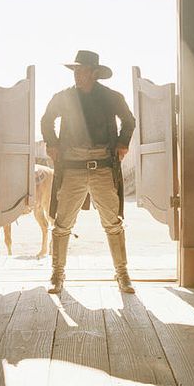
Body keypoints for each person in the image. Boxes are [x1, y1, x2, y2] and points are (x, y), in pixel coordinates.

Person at [41, 50, 136, 295]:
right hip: (72, 167)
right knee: (62, 224)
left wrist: (123, 143)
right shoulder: (63, 97)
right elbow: (46, 119)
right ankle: (57, 274)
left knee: (113, 223)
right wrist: (51, 143)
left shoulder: (112, 97)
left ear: (94, 73)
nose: (77, 75)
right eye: (75, 70)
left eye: (81, 70)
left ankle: (122, 273)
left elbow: (129, 120)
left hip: (102, 166)